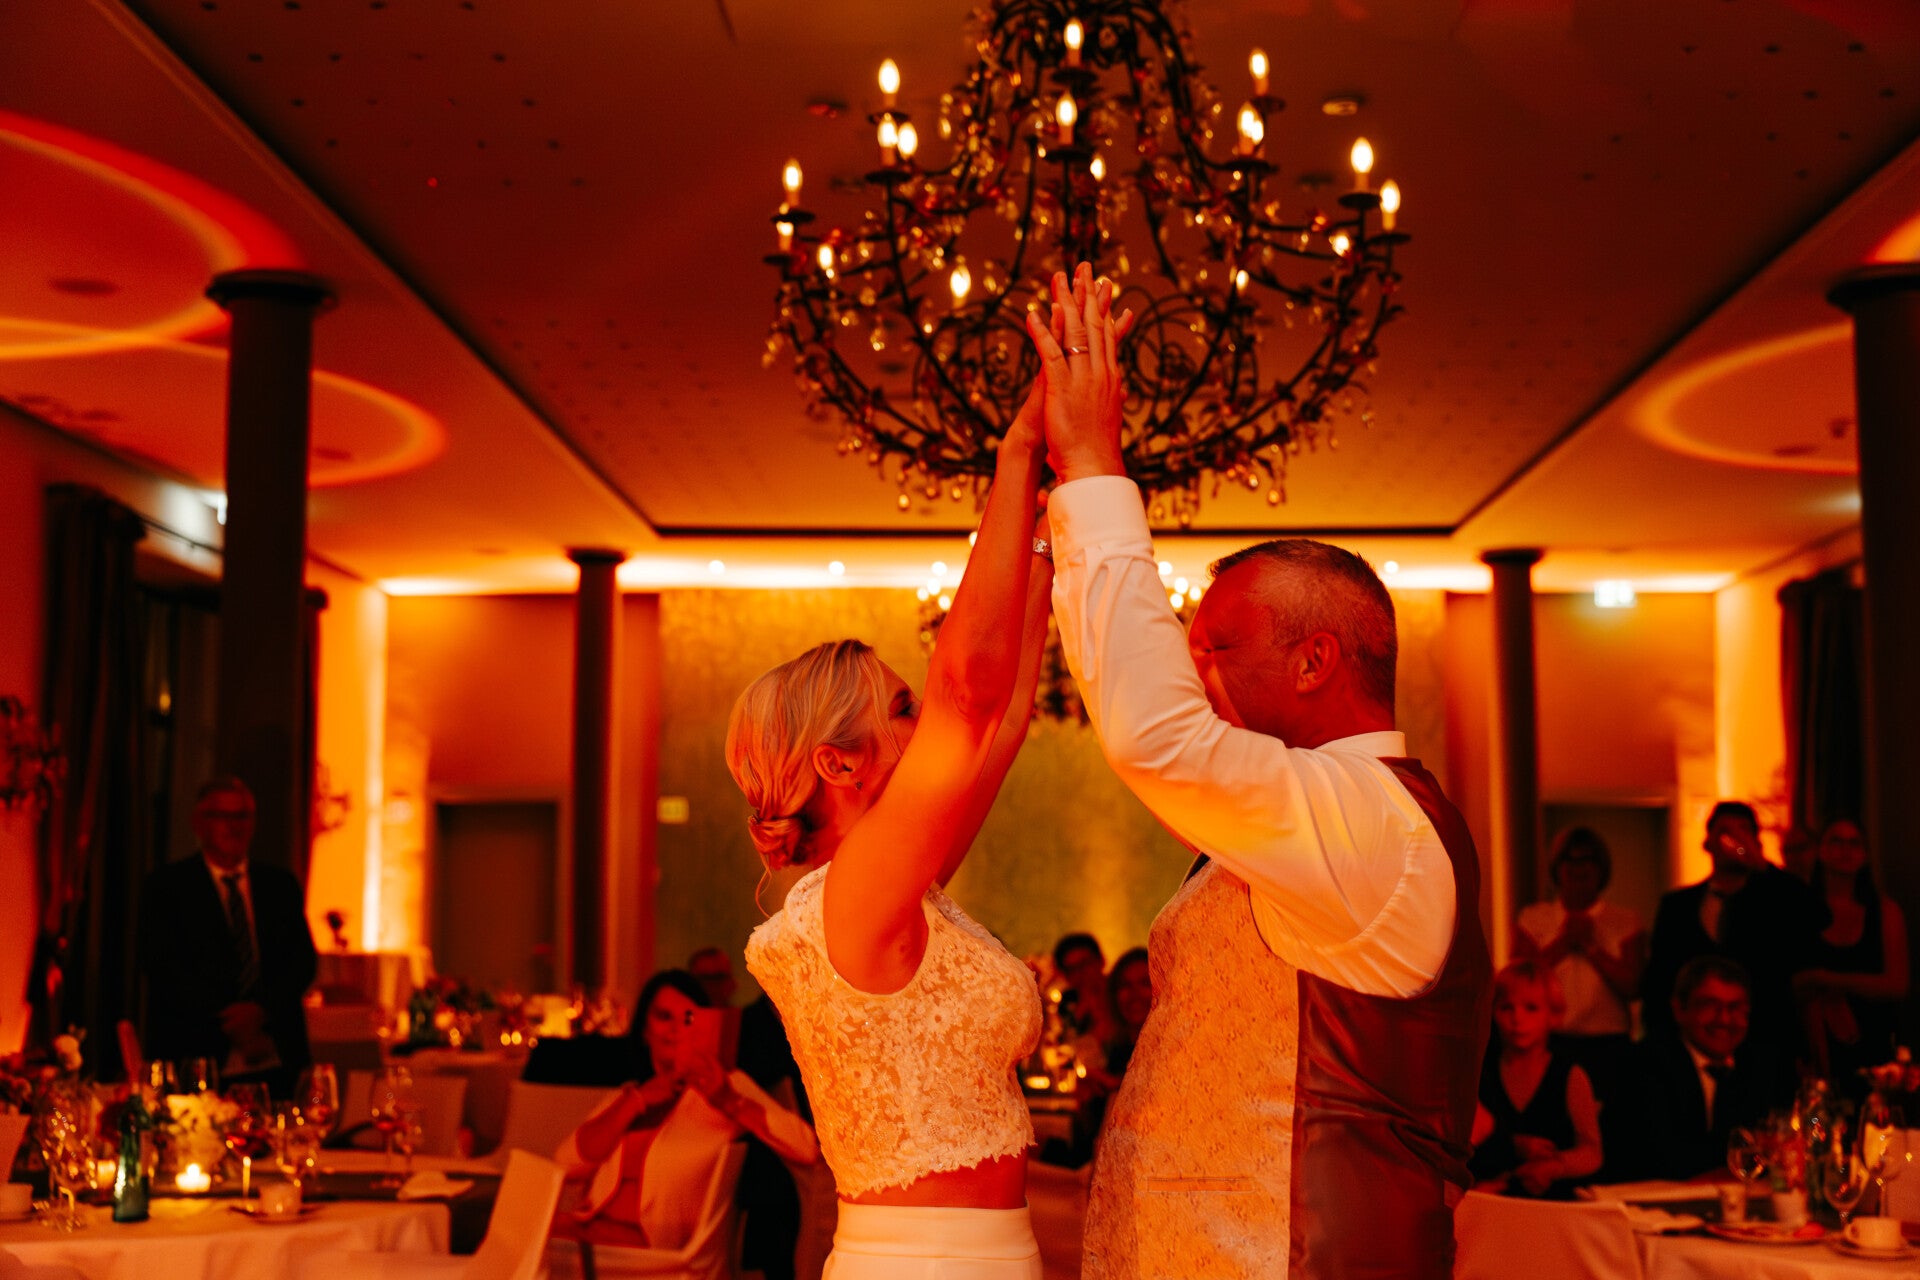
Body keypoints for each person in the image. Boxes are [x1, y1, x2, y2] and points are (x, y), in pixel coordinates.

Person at [1038, 264, 1493, 1279]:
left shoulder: (1376, 820)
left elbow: (1158, 738)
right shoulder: (1301, 823)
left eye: (1215, 647)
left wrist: (1093, 464)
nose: (1191, 670)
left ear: (1314, 660)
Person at [733, 290, 1103, 1279]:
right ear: (838, 761)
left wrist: (1053, 518)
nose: (923, 720)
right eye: (902, 709)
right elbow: (969, 701)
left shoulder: (902, 886)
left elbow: (1004, 714)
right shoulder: (846, 902)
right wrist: (1016, 455)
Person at [554, 969, 817, 1250]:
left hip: (654, 1248)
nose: (675, 1029)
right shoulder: (629, 1093)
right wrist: (635, 1102)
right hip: (594, 1230)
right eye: (664, 1016)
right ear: (644, 1030)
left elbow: (806, 1148)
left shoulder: (723, 1088)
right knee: (528, 1224)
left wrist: (728, 1100)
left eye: (689, 1018)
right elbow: (565, 1165)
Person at [138, 776, 318, 1098]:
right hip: (198, 1053)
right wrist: (235, 1025)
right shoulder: (168, 887)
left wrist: (261, 1011)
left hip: (277, 1054)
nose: (234, 826)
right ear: (199, 823)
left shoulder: (279, 885)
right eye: (223, 816)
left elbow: (301, 962)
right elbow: (164, 967)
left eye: (242, 816)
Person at [1642, 801, 1825, 1070]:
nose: (1735, 841)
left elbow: (1815, 916)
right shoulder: (1677, 906)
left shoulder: (1778, 900)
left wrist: (1757, 862)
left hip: (1767, 1042)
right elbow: (1660, 977)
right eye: (1726, 832)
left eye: (1744, 831)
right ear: (1708, 842)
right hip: (1690, 1045)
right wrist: (1660, 1041)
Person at [1609, 956, 1775, 1181]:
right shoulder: (1646, 1064)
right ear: (1679, 1009)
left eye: (1735, 1008)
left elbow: (1774, 1148)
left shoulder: (1759, 1065)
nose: (1724, 1019)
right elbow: (1662, 1159)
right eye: (1710, 1005)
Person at [1513, 827, 1644, 1104]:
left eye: (1587, 860)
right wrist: (1564, 942)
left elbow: (1633, 986)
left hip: (1609, 1044)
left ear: (1601, 868)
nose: (1577, 868)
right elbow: (1519, 982)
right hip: (1549, 1040)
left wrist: (1591, 946)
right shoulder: (1533, 918)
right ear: (1556, 868)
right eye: (1569, 860)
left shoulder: (1625, 921)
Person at [1468, 962, 1603, 1199]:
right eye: (1506, 1007)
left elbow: (1592, 1151)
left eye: (1531, 1008)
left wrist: (1556, 1166)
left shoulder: (1569, 1074)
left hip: (1554, 1202)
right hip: (1491, 1198)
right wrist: (1511, 1146)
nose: (1517, 1018)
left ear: (1554, 1015)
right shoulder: (1480, 1073)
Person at [1795, 818, 1910, 1085]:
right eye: (1836, 841)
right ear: (1820, 850)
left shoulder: (1884, 911)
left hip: (1874, 1042)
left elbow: (1897, 984)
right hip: (1814, 1042)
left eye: (1854, 843)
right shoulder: (1800, 909)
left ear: (1865, 855)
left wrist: (1826, 979)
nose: (1845, 850)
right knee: (1817, 1108)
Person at [1052, 933, 1118, 1044]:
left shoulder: (1122, 994)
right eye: (1072, 969)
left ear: (1101, 960)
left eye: (1085, 964)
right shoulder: (1068, 1001)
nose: (1081, 973)